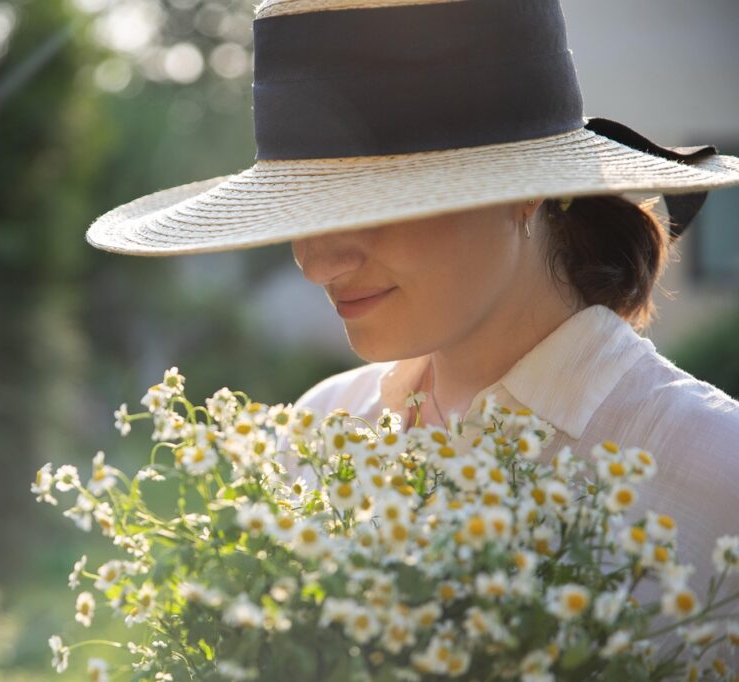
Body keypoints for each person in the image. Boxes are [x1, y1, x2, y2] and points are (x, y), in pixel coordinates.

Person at [85, 0, 739, 646]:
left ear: (524, 190)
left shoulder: (716, 475)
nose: (316, 264)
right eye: (300, 211)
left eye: (370, 205)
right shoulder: (321, 430)